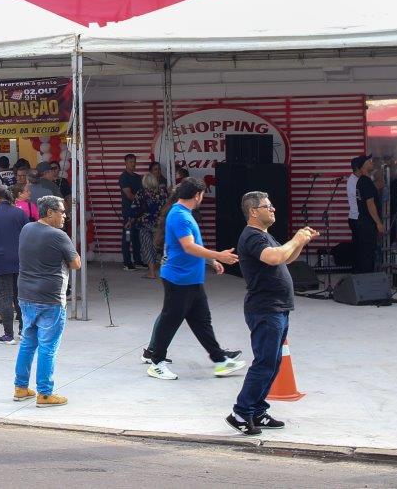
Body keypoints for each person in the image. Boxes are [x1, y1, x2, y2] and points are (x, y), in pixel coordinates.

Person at [228, 190, 318, 436]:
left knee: (273, 363)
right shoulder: (252, 237)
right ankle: (240, 411)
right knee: (264, 363)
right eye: (268, 206)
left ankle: (257, 410)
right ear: (254, 211)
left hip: (276, 308)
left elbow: (285, 258)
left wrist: (300, 242)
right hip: (265, 309)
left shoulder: (264, 236)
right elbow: (274, 257)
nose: (273, 209)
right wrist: (296, 238)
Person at [144, 178, 245, 380]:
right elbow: (188, 246)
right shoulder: (180, 216)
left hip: (190, 279)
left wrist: (210, 260)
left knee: (201, 321)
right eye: (202, 195)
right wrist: (219, 255)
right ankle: (156, 362)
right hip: (179, 279)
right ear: (197, 195)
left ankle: (220, 360)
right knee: (170, 321)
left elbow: (194, 244)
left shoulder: (183, 214)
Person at [14, 195, 81, 408]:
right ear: (49, 212)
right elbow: (76, 263)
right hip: (50, 299)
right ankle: (44, 393)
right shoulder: (58, 236)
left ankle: (21, 387)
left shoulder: (27, 229)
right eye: (61, 211)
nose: (64, 215)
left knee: (28, 342)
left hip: (26, 295)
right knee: (48, 347)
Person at [0, 183, 28, 343]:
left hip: (0, 259)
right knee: (20, 297)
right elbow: (27, 236)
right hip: (20, 259)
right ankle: (24, 331)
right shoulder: (20, 214)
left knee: (5, 297)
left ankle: (9, 334)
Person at [346, 155, 383, 273]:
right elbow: (370, 203)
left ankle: (359, 275)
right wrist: (378, 223)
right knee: (366, 252)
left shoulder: (360, 180)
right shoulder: (362, 181)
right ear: (361, 166)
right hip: (363, 220)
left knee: (361, 251)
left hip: (360, 220)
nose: (371, 162)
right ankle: (365, 278)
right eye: (369, 161)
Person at [119, 154, 146, 270]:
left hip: (138, 213)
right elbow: (129, 195)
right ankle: (127, 262)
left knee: (136, 237)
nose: (133, 164)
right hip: (128, 213)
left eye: (134, 162)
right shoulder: (123, 177)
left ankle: (138, 260)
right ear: (125, 163)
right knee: (128, 237)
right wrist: (140, 199)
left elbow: (143, 193)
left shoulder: (138, 177)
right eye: (130, 162)